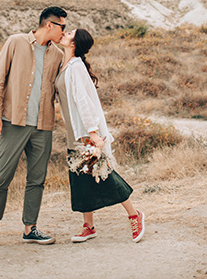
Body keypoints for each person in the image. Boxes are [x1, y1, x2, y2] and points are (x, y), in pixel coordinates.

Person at [0, 6, 67, 248]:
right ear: (50, 25)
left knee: (37, 178)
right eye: (62, 27)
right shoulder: (15, 42)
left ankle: (30, 229)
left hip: (43, 125)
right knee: (1, 176)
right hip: (13, 121)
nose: (64, 32)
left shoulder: (58, 55)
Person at [56, 28, 145, 243]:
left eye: (69, 33)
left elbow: (84, 102)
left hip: (86, 133)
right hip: (74, 132)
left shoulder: (75, 67)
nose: (64, 33)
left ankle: (135, 215)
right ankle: (89, 226)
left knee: (104, 175)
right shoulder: (65, 65)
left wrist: (93, 133)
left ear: (74, 44)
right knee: (80, 177)